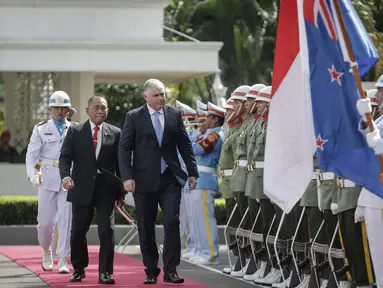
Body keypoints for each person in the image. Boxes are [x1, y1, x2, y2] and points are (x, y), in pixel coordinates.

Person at [118, 79, 199, 284]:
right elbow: (124, 148)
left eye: (163, 94)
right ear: (146, 96)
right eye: (156, 95)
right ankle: (151, 270)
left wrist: (192, 172)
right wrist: (126, 177)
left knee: (172, 222)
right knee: (146, 226)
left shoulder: (174, 114)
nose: (161, 98)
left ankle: (171, 270)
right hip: (143, 181)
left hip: (170, 179)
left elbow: (185, 145)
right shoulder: (134, 117)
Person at [59, 93, 122, 284]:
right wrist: (66, 177)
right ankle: (79, 268)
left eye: (103, 108)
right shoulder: (75, 131)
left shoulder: (116, 133)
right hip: (81, 187)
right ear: (87, 110)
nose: (100, 111)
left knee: (107, 230)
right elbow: (65, 158)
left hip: (106, 190)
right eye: (96, 107)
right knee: (78, 231)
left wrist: (121, 191)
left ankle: (105, 272)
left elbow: (120, 164)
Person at [25, 91, 74, 274]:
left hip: (68, 178)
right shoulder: (40, 129)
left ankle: (63, 258)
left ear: (69, 109)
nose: (60, 111)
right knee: (45, 222)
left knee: (65, 219)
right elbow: (31, 155)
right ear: (50, 109)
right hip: (46, 177)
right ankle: (46, 250)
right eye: (56, 107)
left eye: (63, 107)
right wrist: (32, 174)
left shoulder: (75, 128)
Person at [188, 101, 225, 265]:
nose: (205, 120)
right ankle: (203, 250)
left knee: (204, 219)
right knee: (198, 220)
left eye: (208, 117)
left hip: (205, 179)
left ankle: (210, 253)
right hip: (199, 180)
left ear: (215, 119)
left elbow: (198, 149)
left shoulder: (215, 135)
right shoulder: (207, 134)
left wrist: (193, 142)